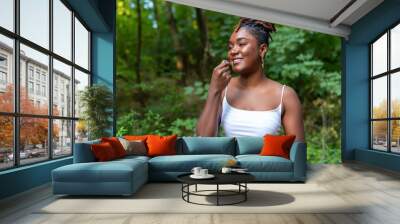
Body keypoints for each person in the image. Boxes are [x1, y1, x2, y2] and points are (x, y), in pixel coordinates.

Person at [196, 18, 305, 142]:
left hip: (266, 162)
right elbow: (202, 141)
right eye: (230, 47)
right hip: (228, 162)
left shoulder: (285, 95)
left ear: (262, 50)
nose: (233, 51)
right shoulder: (223, 88)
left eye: (241, 44)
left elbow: (298, 152)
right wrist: (214, 90)